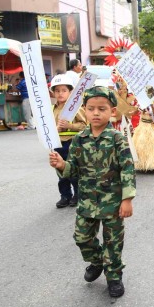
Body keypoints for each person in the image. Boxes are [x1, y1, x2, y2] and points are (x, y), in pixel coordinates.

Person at [48, 86, 136, 298]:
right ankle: (97, 262)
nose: (96, 113)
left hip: (113, 201)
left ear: (112, 111)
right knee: (82, 238)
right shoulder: (79, 139)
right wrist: (61, 166)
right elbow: (73, 169)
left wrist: (127, 199)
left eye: (102, 108)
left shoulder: (116, 138)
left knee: (113, 241)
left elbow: (127, 168)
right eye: (91, 108)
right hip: (87, 201)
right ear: (84, 111)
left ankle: (114, 276)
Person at [51, 74, 86, 208]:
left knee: (73, 171)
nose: (60, 93)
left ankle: (78, 194)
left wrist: (69, 126)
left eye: (64, 90)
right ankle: (65, 196)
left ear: (70, 92)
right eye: (57, 90)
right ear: (53, 92)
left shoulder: (74, 108)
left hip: (72, 143)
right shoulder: (52, 109)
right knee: (60, 172)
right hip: (57, 144)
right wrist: (56, 130)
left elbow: (84, 125)